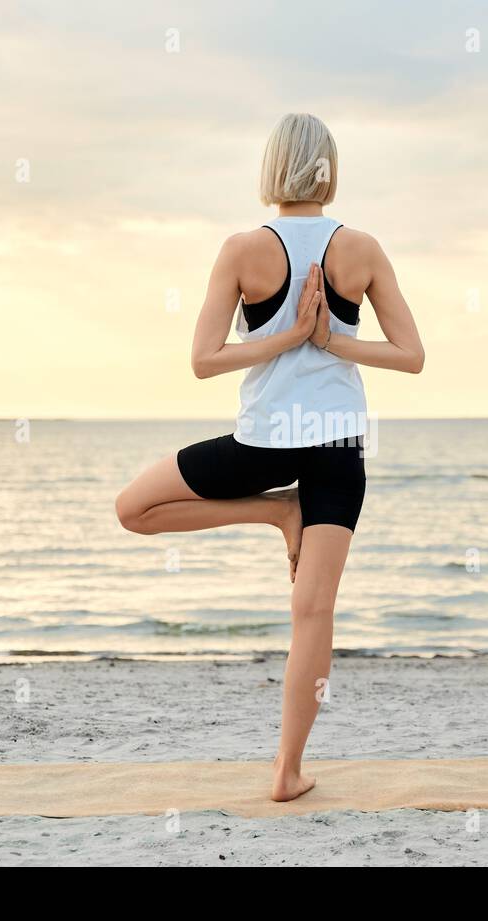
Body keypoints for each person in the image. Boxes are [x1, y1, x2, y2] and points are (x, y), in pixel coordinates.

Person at [115, 113, 424, 801]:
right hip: (337, 445)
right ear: (329, 169)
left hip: (264, 443)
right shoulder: (363, 248)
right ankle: (286, 771)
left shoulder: (242, 250)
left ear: (272, 168)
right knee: (312, 614)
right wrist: (323, 341)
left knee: (132, 510)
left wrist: (291, 340)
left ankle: (272, 512)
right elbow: (411, 355)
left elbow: (205, 360)